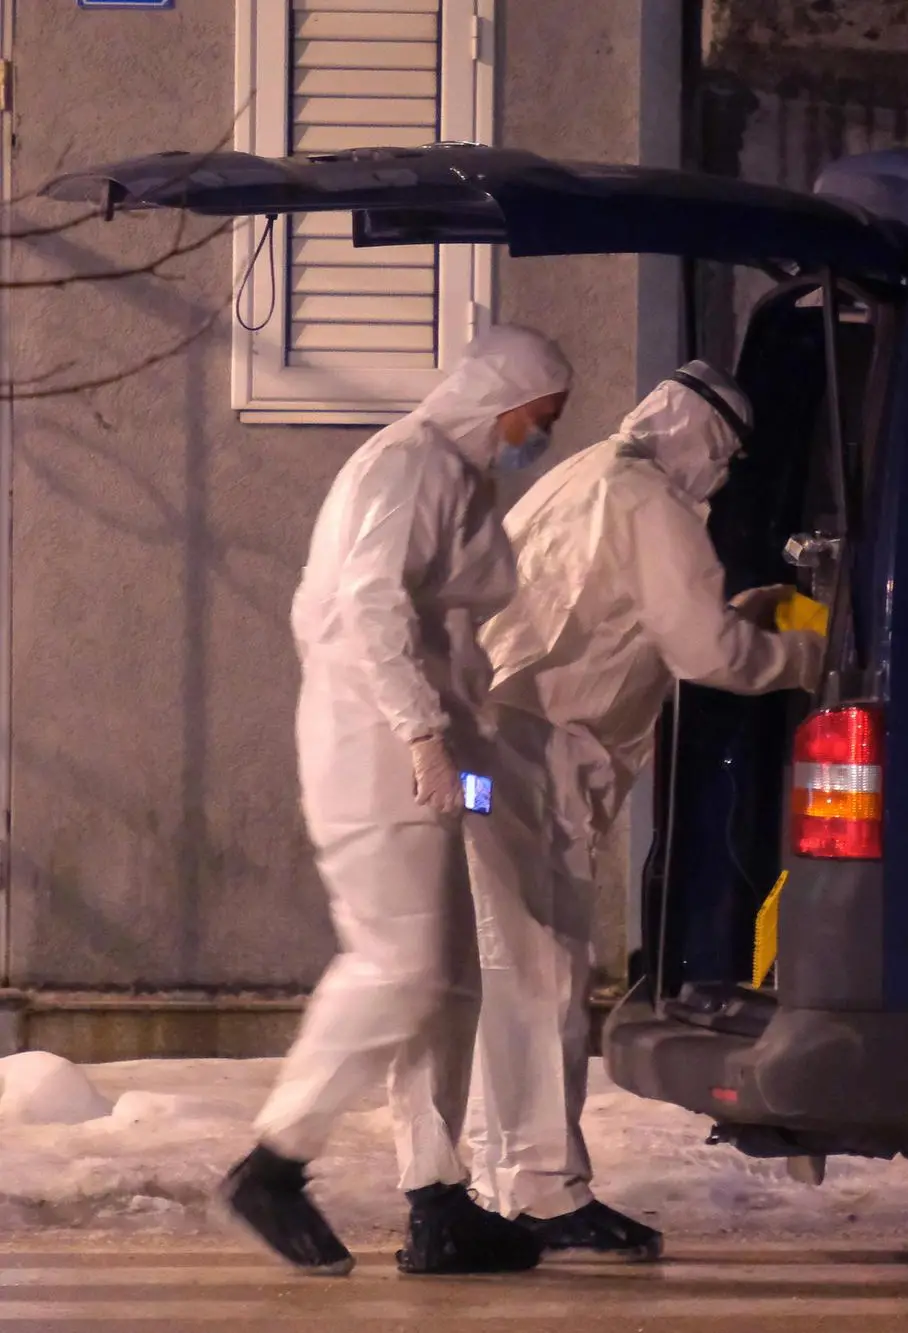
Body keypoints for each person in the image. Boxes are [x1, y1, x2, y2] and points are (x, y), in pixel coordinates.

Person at [223, 325, 574, 1278]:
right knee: (401, 966)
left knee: (452, 974)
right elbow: (364, 603)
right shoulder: (407, 463)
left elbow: (441, 626)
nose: (538, 436)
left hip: (437, 752)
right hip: (379, 749)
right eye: (537, 419)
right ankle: (274, 1162)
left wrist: (469, 762)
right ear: (498, 397)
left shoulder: (457, 477)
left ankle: (436, 1200)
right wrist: (421, 729)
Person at [455, 361, 825, 1258]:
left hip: (486, 747)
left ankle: (492, 1176)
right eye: (727, 454)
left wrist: (733, 611)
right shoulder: (653, 501)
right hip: (536, 754)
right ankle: (546, 1192)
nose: (727, 475)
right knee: (541, 975)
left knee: (505, 972)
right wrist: (798, 657)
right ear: (700, 436)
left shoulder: (586, 475)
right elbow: (706, 654)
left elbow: (628, 615)